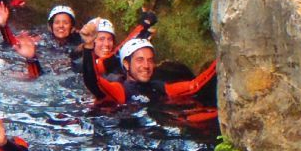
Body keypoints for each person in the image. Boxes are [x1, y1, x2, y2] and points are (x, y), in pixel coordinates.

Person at [84, 36, 218, 120]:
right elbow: (93, 81)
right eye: (140, 60)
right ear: (126, 64)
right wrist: (88, 47)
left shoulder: (158, 87)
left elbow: (194, 86)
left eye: (150, 60)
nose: (146, 66)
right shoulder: (120, 90)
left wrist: (221, 59)